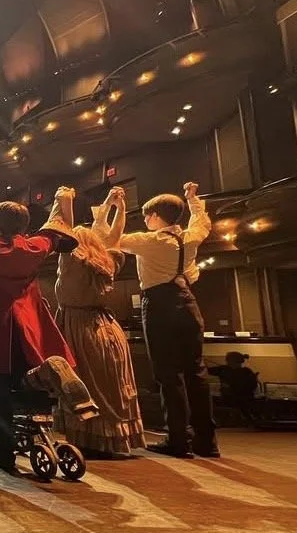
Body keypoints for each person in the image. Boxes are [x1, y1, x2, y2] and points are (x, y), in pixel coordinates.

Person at [0, 186, 78, 474]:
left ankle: (2, 451)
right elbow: (55, 230)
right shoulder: (34, 246)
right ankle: (46, 375)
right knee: (24, 380)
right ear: (24, 226)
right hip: (28, 329)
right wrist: (62, 200)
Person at [115, 183, 220, 458]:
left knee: (168, 374)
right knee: (196, 372)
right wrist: (193, 199)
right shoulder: (190, 238)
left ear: (156, 216)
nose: (147, 220)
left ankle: (178, 440)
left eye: (148, 215)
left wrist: (117, 209)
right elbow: (202, 222)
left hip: (160, 304)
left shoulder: (152, 241)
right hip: (188, 302)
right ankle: (207, 442)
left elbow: (112, 239)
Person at [52, 186, 145, 458]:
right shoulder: (111, 260)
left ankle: (90, 438)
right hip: (108, 327)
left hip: (81, 328)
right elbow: (112, 236)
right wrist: (115, 206)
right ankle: (115, 440)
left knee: (85, 386)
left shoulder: (72, 260)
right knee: (114, 387)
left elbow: (64, 228)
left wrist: (64, 201)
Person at [208, 352, 259, 423]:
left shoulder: (244, 371)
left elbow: (252, 385)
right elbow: (207, 370)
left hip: (238, 397)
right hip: (234, 397)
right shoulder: (224, 369)